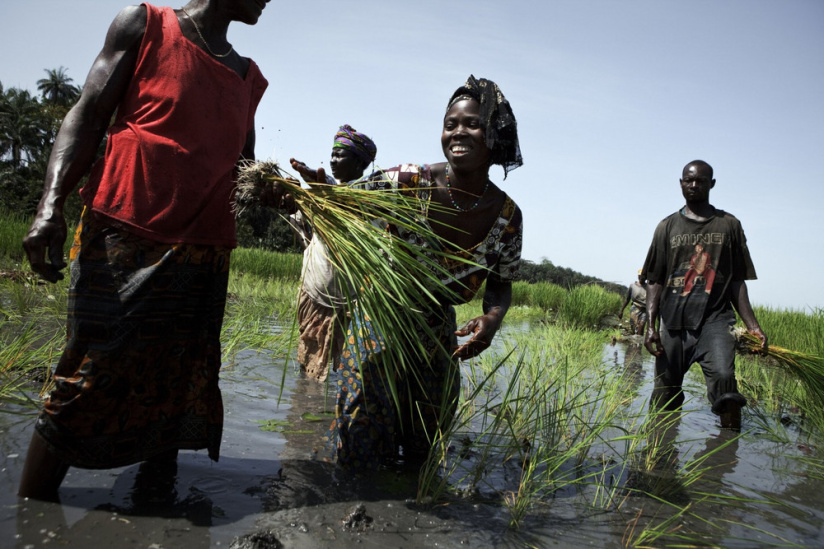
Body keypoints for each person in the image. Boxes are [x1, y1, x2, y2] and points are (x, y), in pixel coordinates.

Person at [18, 0, 269, 501]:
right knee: (89, 373)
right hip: (125, 232)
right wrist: (51, 203)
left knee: (176, 377)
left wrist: (268, 187)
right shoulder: (147, 24)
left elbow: (242, 166)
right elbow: (87, 114)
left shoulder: (248, 76)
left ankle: (157, 497)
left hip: (202, 251)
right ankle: (31, 509)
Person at [289, 75, 523, 470]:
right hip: (379, 325)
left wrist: (492, 319)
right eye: (450, 124)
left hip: (436, 340)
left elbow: (500, 285)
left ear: (495, 135)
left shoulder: (507, 217)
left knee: (422, 450)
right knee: (359, 442)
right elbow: (346, 205)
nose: (458, 132)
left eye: (472, 123)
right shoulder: (406, 183)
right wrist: (321, 196)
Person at [642, 160, 767, 430]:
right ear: (681, 184)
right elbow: (655, 280)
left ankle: (726, 453)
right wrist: (651, 326)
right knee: (665, 392)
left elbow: (737, 281)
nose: (694, 185)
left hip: (715, 320)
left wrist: (753, 326)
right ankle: (658, 453)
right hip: (674, 321)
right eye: (689, 180)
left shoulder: (729, 225)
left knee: (725, 381)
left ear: (712, 184)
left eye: (700, 180)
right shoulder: (667, 227)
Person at [292, 125, 377, 382]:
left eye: (340, 155)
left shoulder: (371, 194)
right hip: (315, 288)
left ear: (360, 162)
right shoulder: (321, 193)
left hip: (348, 299)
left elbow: (346, 200)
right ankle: (306, 413)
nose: (332, 160)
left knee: (345, 372)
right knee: (307, 366)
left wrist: (321, 188)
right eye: (332, 153)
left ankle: (330, 418)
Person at [618, 269, 647, 335]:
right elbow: (627, 299)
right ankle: (636, 340)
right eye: (640, 276)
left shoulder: (648, 287)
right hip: (635, 308)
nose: (642, 277)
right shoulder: (633, 285)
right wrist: (621, 310)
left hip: (645, 309)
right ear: (638, 276)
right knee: (634, 327)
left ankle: (638, 342)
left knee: (641, 325)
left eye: (643, 276)